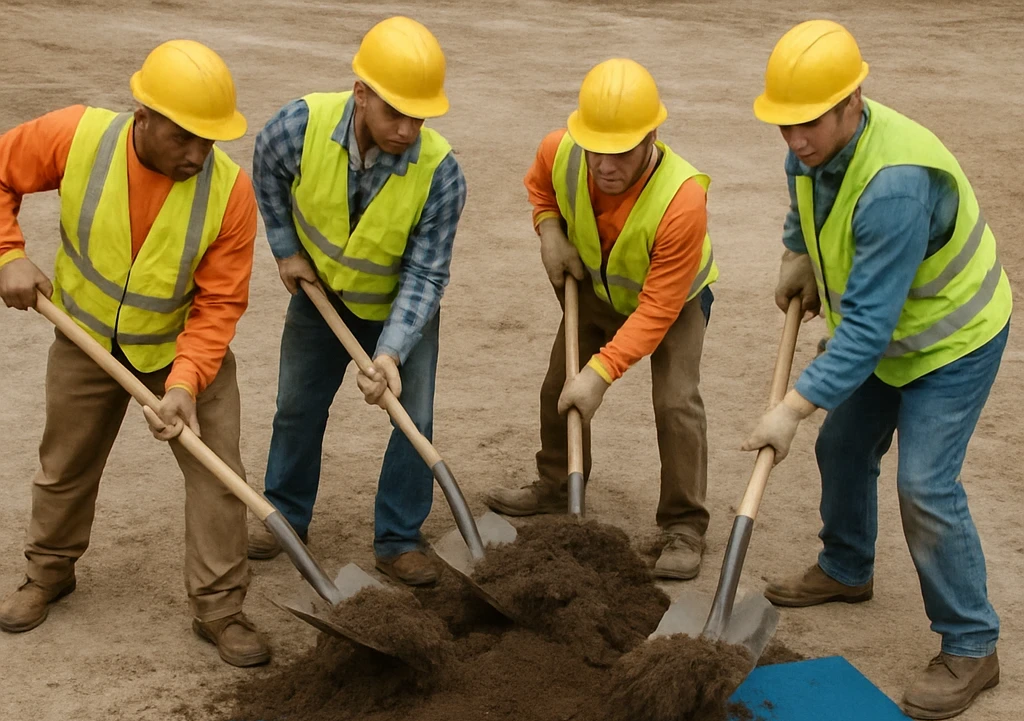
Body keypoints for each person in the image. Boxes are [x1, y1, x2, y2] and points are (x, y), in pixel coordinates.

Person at [744, 20, 1012, 719]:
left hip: (952, 340)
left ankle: (971, 644)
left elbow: (863, 332)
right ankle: (845, 567)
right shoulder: (807, 153)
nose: (796, 141)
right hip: (892, 335)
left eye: (809, 124)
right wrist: (795, 254)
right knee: (844, 444)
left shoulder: (893, 187)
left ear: (852, 102)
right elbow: (805, 210)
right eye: (785, 127)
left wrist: (793, 407)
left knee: (925, 484)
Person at [0, 40, 271, 667]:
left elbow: (219, 305)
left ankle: (220, 609)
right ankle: (49, 572)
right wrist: (9, 254)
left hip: (180, 350)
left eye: (209, 140)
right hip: (85, 337)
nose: (198, 155)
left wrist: (184, 384)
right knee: (65, 464)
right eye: (184, 137)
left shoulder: (230, 194)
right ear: (141, 115)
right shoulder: (78, 137)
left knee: (217, 476)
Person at [249, 15, 466, 587]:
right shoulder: (297, 127)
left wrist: (391, 353)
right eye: (395, 112)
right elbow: (266, 169)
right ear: (361, 94)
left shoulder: (441, 173)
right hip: (321, 297)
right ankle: (287, 516)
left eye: (419, 116)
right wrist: (284, 248)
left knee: (413, 420)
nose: (407, 129)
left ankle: (398, 538)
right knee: (296, 407)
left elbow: (426, 273)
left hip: (400, 308)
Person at [485, 59, 718, 580]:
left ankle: (683, 524)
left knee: (676, 401)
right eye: (597, 150)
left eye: (621, 152)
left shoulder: (683, 199)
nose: (605, 166)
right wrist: (550, 231)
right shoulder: (561, 150)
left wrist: (602, 372)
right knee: (557, 387)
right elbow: (541, 188)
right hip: (594, 287)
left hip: (674, 301)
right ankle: (555, 486)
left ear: (651, 136)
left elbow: (657, 308)